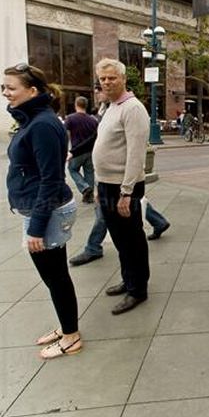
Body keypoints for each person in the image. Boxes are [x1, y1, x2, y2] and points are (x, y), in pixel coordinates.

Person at [3, 63, 82, 359]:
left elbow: (51, 179)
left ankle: (71, 336)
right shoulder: (33, 120)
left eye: (11, 88)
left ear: (32, 91)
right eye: (4, 87)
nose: (6, 93)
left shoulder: (42, 125)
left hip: (46, 213)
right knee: (54, 276)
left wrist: (36, 227)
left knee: (57, 277)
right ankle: (66, 327)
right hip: (40, 209)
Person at [92, 58, 151, 315]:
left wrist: (126, 192)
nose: (106, 82)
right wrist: (97, 183)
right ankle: (129, 280)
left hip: (123, 188)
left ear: (123, 79)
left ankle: (138, 290)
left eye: (111, 78)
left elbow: (136, 154)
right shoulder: (110, 107)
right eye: (102, 79)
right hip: (107, 185)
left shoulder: (133, 108)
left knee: (132, 240)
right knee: (119, 240)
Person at [69, 201, 171, 266]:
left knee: (104, 212)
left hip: (115, 179)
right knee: (135, 201)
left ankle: (93, 248)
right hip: (113, 179)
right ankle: (158, 222)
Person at [64, 96, 98, 203]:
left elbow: (65, 134)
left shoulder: (70, 118)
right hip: (90, 151)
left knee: (72, 169)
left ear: (76, 105)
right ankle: (89, 196)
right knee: (89, 172)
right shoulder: (93, 120)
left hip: (76, 151)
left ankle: (84, 187)